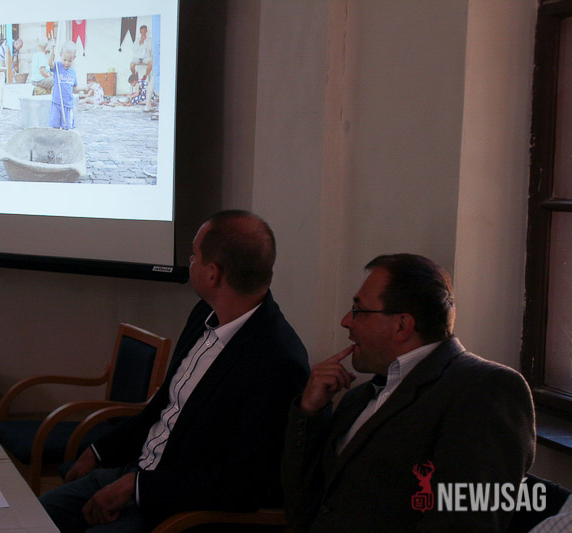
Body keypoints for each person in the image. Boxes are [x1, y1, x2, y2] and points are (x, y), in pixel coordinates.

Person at [38, 210, 311, 532]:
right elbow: (162, 407)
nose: (190, 262)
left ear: (212, 274)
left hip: (174, 512)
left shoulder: (277, 361)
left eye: (194, 256)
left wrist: (136, 488)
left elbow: (244, 484)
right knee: (26, 517)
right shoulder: (204, 314)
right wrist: (98, 451)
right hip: (134, 473)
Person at [282, 253, 536, 532]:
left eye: (358, 310)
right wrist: (310, 413)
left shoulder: (485, 388)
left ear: (402, 325)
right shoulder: (357, 398)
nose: (346, 321)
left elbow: (466, 523)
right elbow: (302, 508)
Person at [47, 41, 83, 130]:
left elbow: (74, 88)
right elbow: (49, 63)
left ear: (74, 58)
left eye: (69, 61)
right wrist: (52, 50)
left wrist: (84, 88)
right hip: (57, 102)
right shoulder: (58, 66)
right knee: (55, 126)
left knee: (66, 127)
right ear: (60, 55)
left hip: (67, 105)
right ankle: (55, 138)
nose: (66, 63)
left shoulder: (72, 72)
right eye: (64, 60)